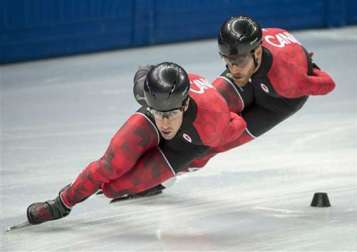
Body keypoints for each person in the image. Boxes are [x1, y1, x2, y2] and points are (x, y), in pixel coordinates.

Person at [26, 62, 247, 225]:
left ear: (185, 104)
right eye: (158, 113)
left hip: (188, 143)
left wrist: (191, 162)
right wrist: (158, 109)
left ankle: (160, 180)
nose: (164, 123)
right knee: (110, 166)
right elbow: (144, 70)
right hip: (162, 114)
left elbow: (236, 124)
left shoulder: (213, 121)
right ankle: (61, 204)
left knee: (115, 189)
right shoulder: (145, 91)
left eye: (170, 114)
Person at [190, 15, 336, 166]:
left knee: (212, 145)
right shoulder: (245, 53)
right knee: (206, 111)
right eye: (227, 60)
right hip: (255, 75)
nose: (233, 69)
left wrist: (311, 70)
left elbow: (328, 84)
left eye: (239, 61)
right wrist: (240, 63)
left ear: (257, 52)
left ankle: (171, 175)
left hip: (275, 105)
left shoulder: (288, 80)